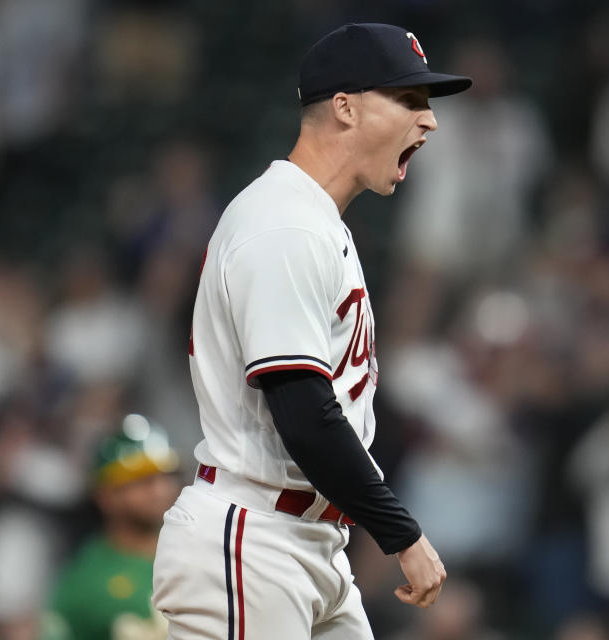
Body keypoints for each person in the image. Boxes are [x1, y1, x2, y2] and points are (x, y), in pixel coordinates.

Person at [152, 23, 471, 639]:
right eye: (409, 100)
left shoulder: (314, 223)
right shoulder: (283, 225)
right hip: (252, 540)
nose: (428, 121)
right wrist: (400, 532)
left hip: (306, 542)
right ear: (345, 108)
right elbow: (303, 409)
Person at [45, 417, 181, 640]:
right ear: (105, 495)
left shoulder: (198, 550)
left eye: (165, 476)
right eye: (141, 480)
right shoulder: (86, 579)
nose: (159, 490)